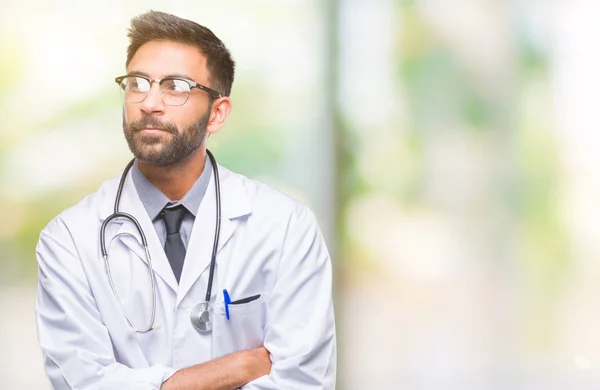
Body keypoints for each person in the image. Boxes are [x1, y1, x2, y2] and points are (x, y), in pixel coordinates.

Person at [35, 10, 336, 390]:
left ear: (217, 113)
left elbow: (302, 380)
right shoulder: (68, 240)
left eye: (175, 86)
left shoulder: (285, 227)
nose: (149, 103)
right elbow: (81, 383)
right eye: (137, 83)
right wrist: (238, 367)